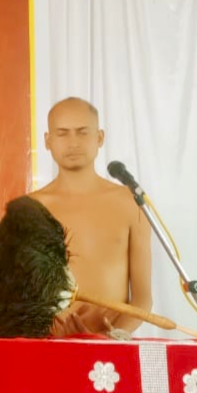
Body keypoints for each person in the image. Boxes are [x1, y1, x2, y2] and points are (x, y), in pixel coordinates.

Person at [30, 97, 153, 337]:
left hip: (112, 350)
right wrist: (53, 330)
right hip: (48, 346)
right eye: (62, 133)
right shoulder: (31, 209)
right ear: (48, 141)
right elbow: (18, 294)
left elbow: (142, 298)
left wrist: (112, 337)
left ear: (99, 137)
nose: (73, 142)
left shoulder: (131, 203)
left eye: (82, 132)